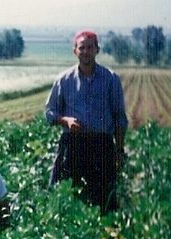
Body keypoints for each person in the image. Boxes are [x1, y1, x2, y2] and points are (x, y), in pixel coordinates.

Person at [45, 29, 129, 213]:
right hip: (73, 144)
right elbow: (50, 113)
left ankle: (105, 238)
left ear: (97, 50)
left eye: (90, 47)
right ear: (75, 51)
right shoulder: (63, 80)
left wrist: (119, 149)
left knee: (104, 201)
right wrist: (65, 120)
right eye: (82, 47)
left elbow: (120, 119)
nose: (85, 52)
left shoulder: (111, 79)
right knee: (69, 199)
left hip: (101, 145)